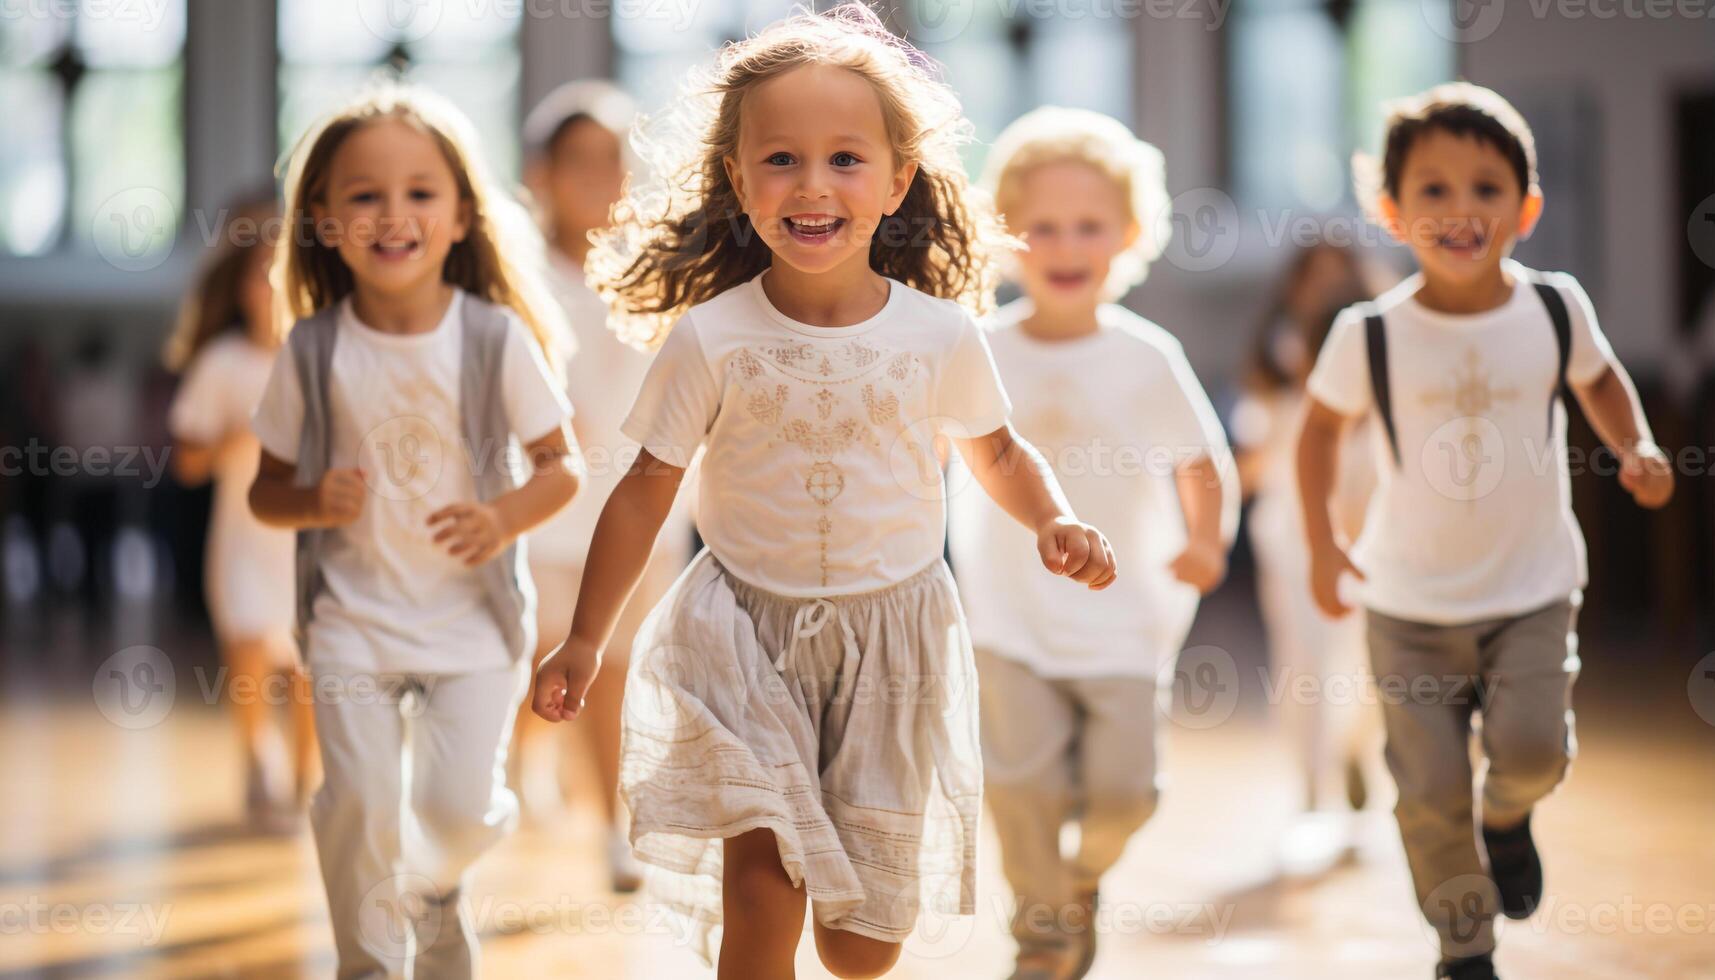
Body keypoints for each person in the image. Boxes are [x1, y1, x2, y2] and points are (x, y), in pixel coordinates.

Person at [530, 7, 1117, 977]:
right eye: (780, 160)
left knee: (858, 948)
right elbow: (641, 490)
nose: (810, 184)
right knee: (760, 891)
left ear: (895, 181)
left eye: (844, 159)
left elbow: (998, 448)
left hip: (892, 638)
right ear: (736, 178)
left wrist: (1052, 516)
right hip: (741, 636)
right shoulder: (711, 337)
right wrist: (589, 635)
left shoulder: (938, 335)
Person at [1296, 82, 1674, 980]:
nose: (1460, 209)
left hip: (1532, 590)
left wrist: (1637, 445)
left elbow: (1602, 380)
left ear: (1525, 207)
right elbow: (1317, 431)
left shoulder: (1552, 309)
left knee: (1535, 750)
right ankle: (1462, 946)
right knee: (1426, 795)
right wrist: (1321, 542)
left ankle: (1508, 814)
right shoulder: (1370, 333)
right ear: (1391, 212)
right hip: (1406, 607)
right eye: (1432, 190)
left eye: (1485, 188)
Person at [249, 83, 581, 978]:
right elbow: (265, 493)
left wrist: (501, 516)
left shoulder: (494, 339)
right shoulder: (312, 350)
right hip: (349, 619)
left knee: (456, 814)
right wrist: (315, 501)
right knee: (356, 800)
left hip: (472, 627)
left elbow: (563, 468)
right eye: (364, 195)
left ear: (464, 215)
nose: (392, 215)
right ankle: (368, 964)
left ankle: (438, 888)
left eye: (419, 193)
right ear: (321, 218)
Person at [947, 106, 1236, 980]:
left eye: (1087, 227)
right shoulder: (975, 350)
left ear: (1130, 236)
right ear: (1002, 235)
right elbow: (923, 456)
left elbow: (1201, 460)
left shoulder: (1146, 356)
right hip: (1008, 618)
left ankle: (1079, 881)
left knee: (1124, 794)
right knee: (1020, 786)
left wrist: (1206, 544)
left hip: (1126, 618)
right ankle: (1041, 937)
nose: (1063, 245)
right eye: (1039, 226)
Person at [513, 80, 693, 892]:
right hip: (546, 510)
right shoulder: (514, 275)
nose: (593, 175)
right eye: (574, 159)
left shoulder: (656, 269)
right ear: (540, 173)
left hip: (640, 505)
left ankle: (611, 830)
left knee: (614, 666)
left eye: (608, 160)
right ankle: (527, 756)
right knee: (543, 659)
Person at [165, 191, 316, 830]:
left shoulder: (320, 356)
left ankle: (308, 781)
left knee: (310, 665)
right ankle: (258, 756)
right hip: (243, 539)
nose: (270, 286)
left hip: (307, 538)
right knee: (251, 646)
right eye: (260, 273)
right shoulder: (221, 363)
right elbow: (187, 463)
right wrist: (237, 439)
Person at [1231, 240, 1384, 868]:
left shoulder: (1381, 352)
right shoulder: (1274, 366)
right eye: (1310, 280)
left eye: (1335, 279)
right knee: (1306, 659)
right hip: (1291, 537)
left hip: (1371, 532)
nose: (1321, 292)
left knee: (1369, 664)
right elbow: (1252, 460)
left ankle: (1352, 748)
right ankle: (1311, 792)